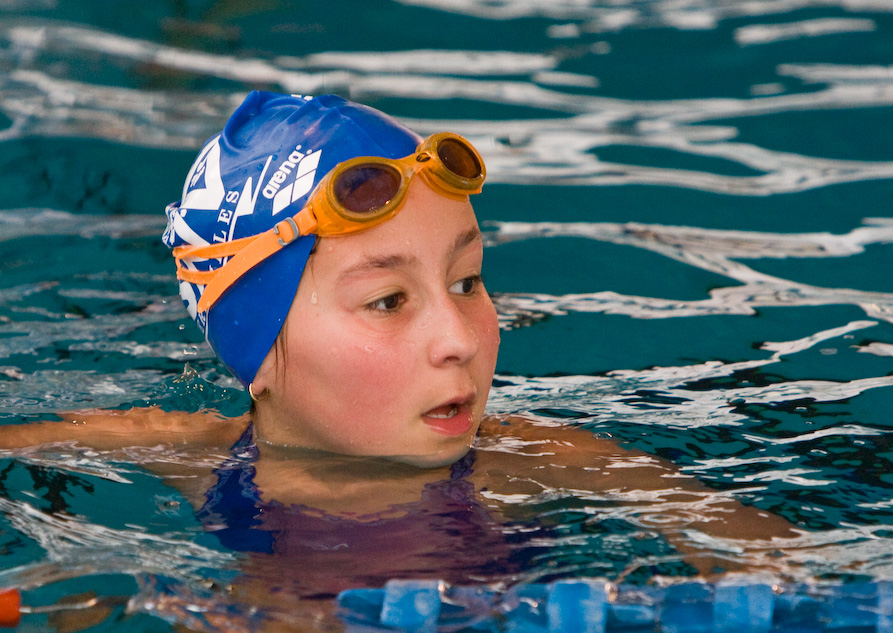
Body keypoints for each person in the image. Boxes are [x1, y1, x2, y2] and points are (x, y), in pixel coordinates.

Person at [0, 92, 798, 631]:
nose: (460, 338)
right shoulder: (184, 454)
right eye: (388, 300)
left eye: (468, 281)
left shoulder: (543, 460)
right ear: (257, 350)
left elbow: (776, 562)